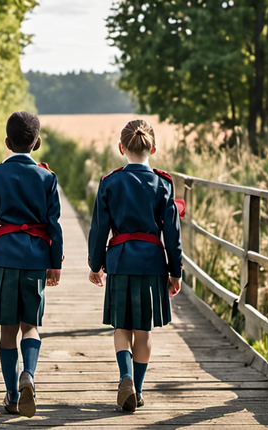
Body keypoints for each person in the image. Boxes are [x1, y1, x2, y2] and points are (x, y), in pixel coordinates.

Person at [87, 118, 183, 412]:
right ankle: (137, 391)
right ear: (153, 148)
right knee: (143, 330)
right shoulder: (164, 183)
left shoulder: (109, 182)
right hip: (152, 263)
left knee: (121, 327)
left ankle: (125, 376)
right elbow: (172, 233)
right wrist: (175, 271)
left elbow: (99, 229)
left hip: (119, 261)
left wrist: (96, 264)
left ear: (121, 148)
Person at [0, 111, 64, 418]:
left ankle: (12, 395)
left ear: (7, 142)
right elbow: (55, 226)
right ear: (37, 143)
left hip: (2, 257)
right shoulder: (47, 177)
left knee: (7, 331)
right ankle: (30, 375)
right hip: (37, 257)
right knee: (31, 326)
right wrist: (55, 265)